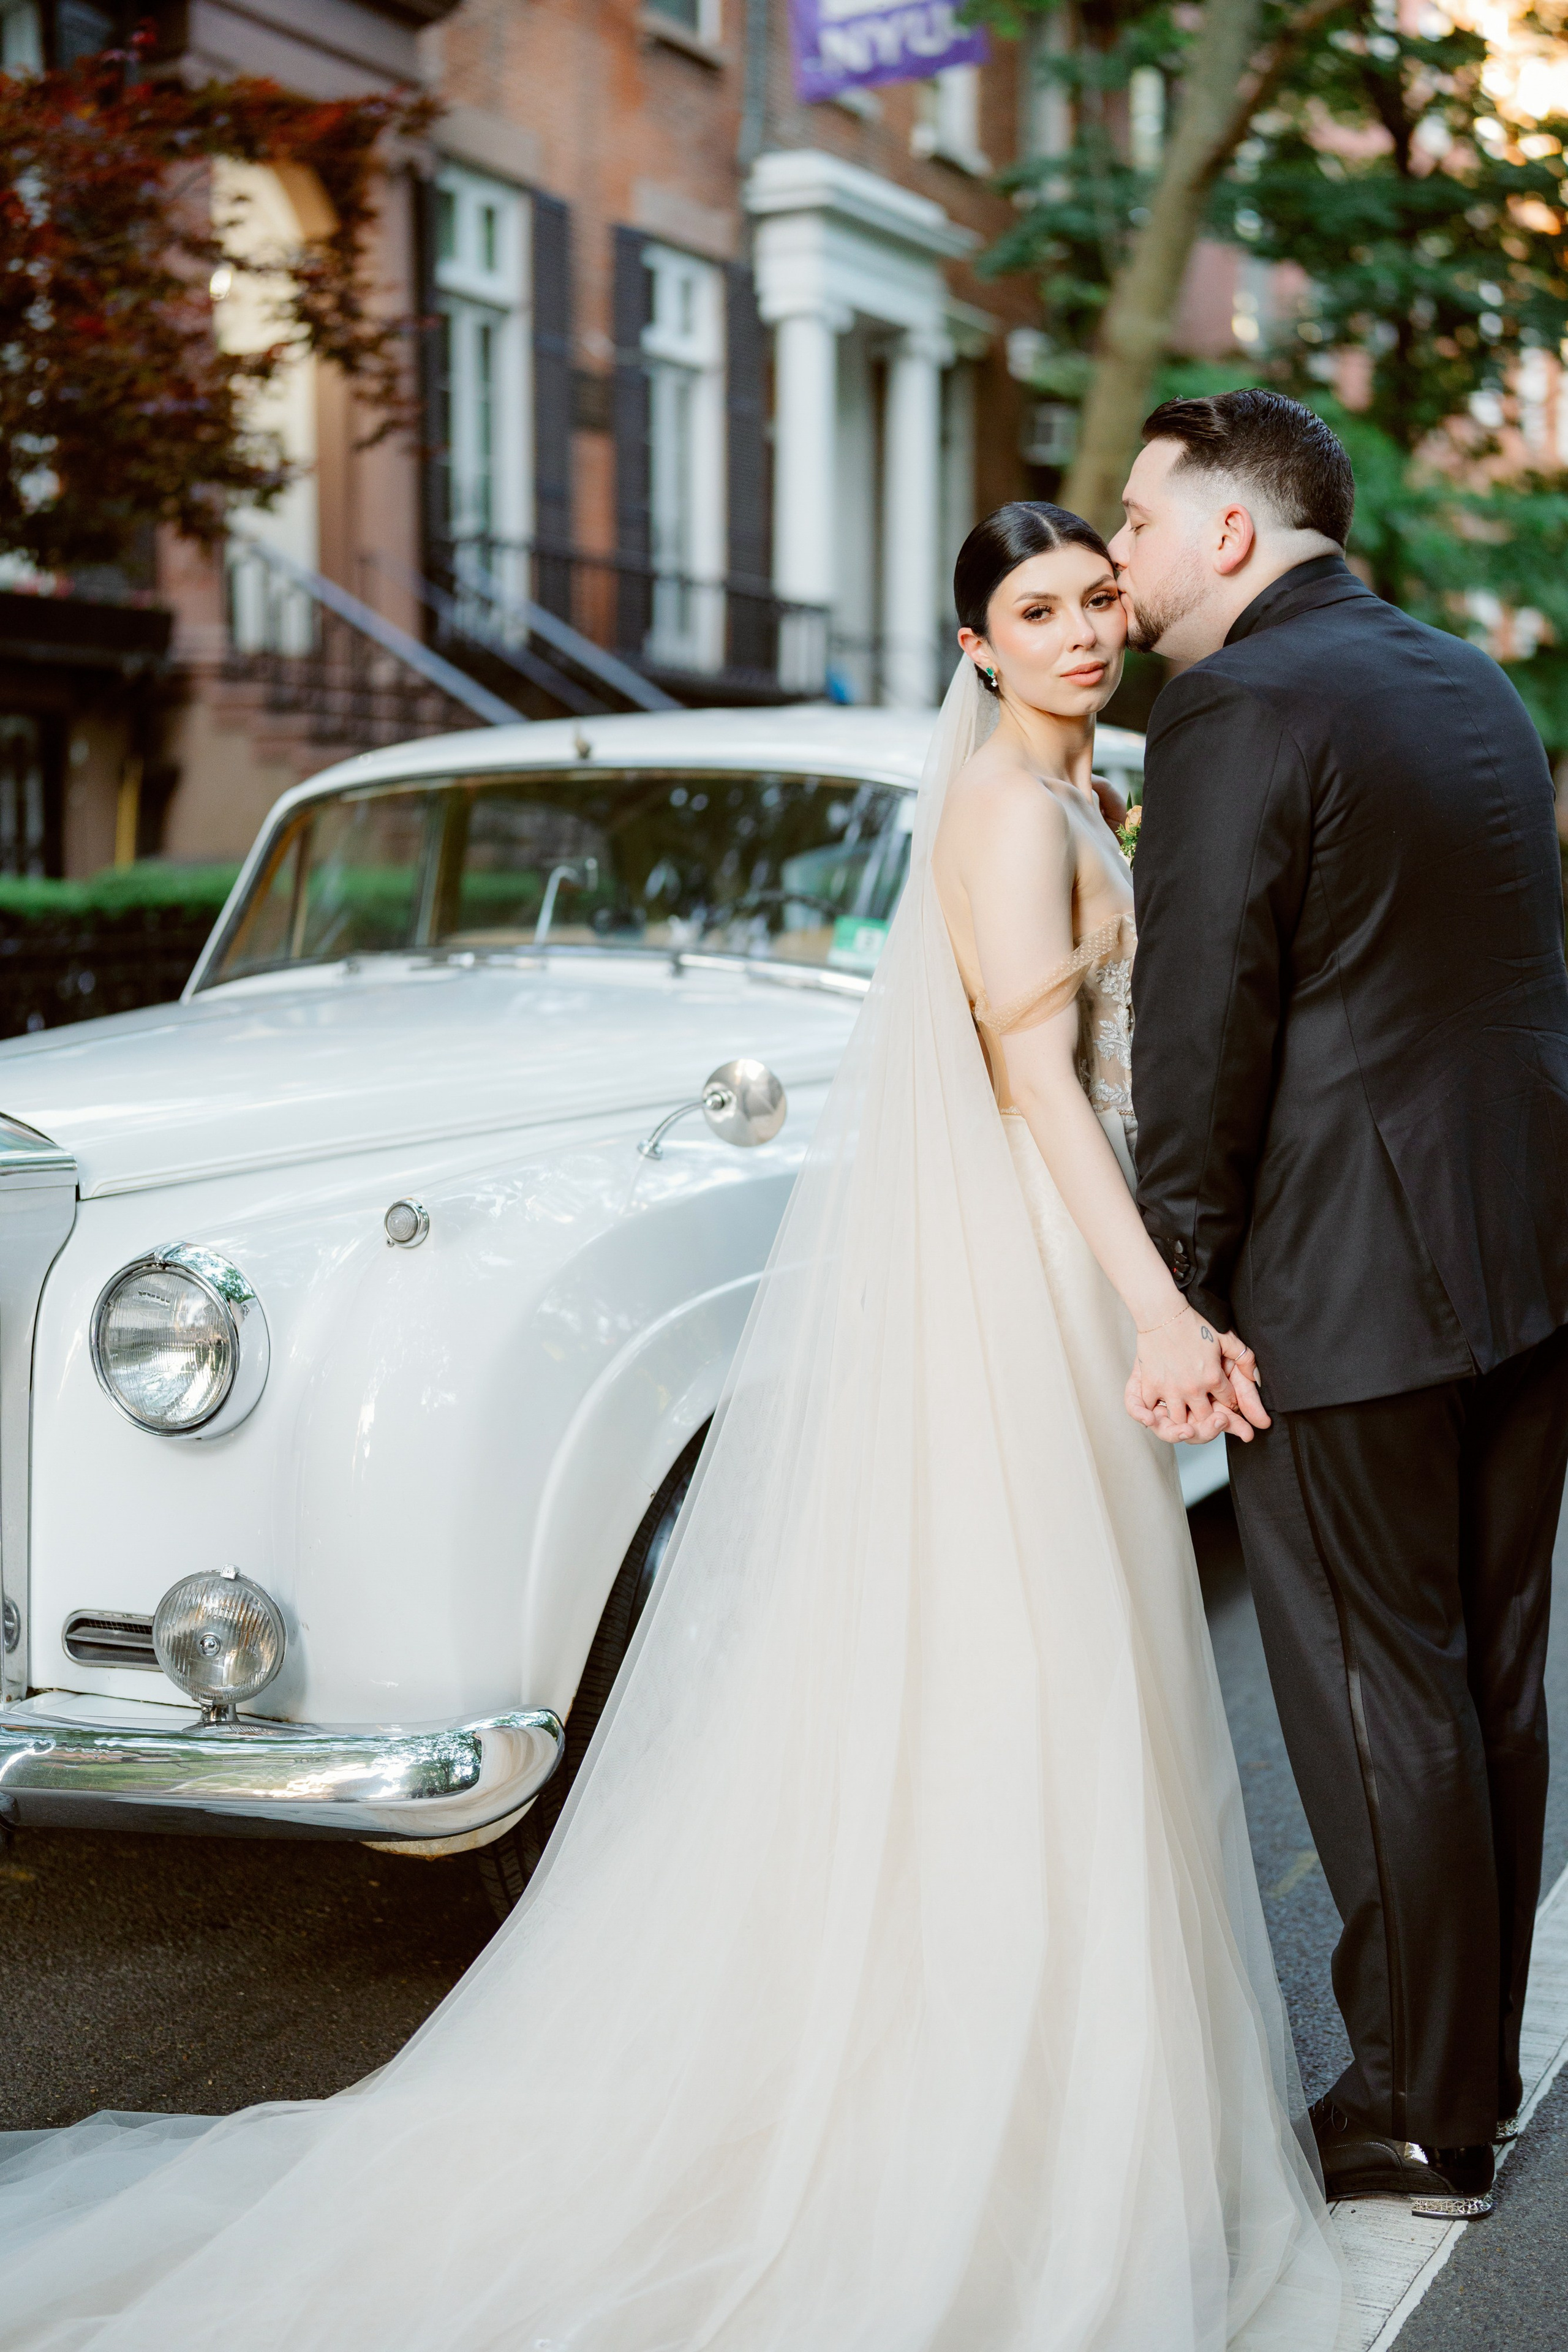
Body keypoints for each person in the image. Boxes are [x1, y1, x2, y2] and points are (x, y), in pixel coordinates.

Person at [0, 507, 1345, 2352]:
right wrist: (1161, 1308)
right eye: (1039, 609)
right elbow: (1038, 1089)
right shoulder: (1005, 813)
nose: (1085, 627)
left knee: (1031, 1683)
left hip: (1045, 1253)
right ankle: (983, 2109)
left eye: (1100, 597)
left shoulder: (1055, 796)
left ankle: (1031, 2091)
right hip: (1047, 1263)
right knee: (1030, 1682)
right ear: (975, 646)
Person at [1112, 387, 1568, 2223]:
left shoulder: (1232, 706)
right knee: (1492, 1680)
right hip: (1526, 1262)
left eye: (1141, 521)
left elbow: (1203, 1026)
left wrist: (1176, 1294)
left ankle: (1407, 2109)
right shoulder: (1471, 680)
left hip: (1345, 1288)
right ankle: (1466, 2076)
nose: (1120, 552)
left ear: (1232, 531)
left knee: (1385, 1702)